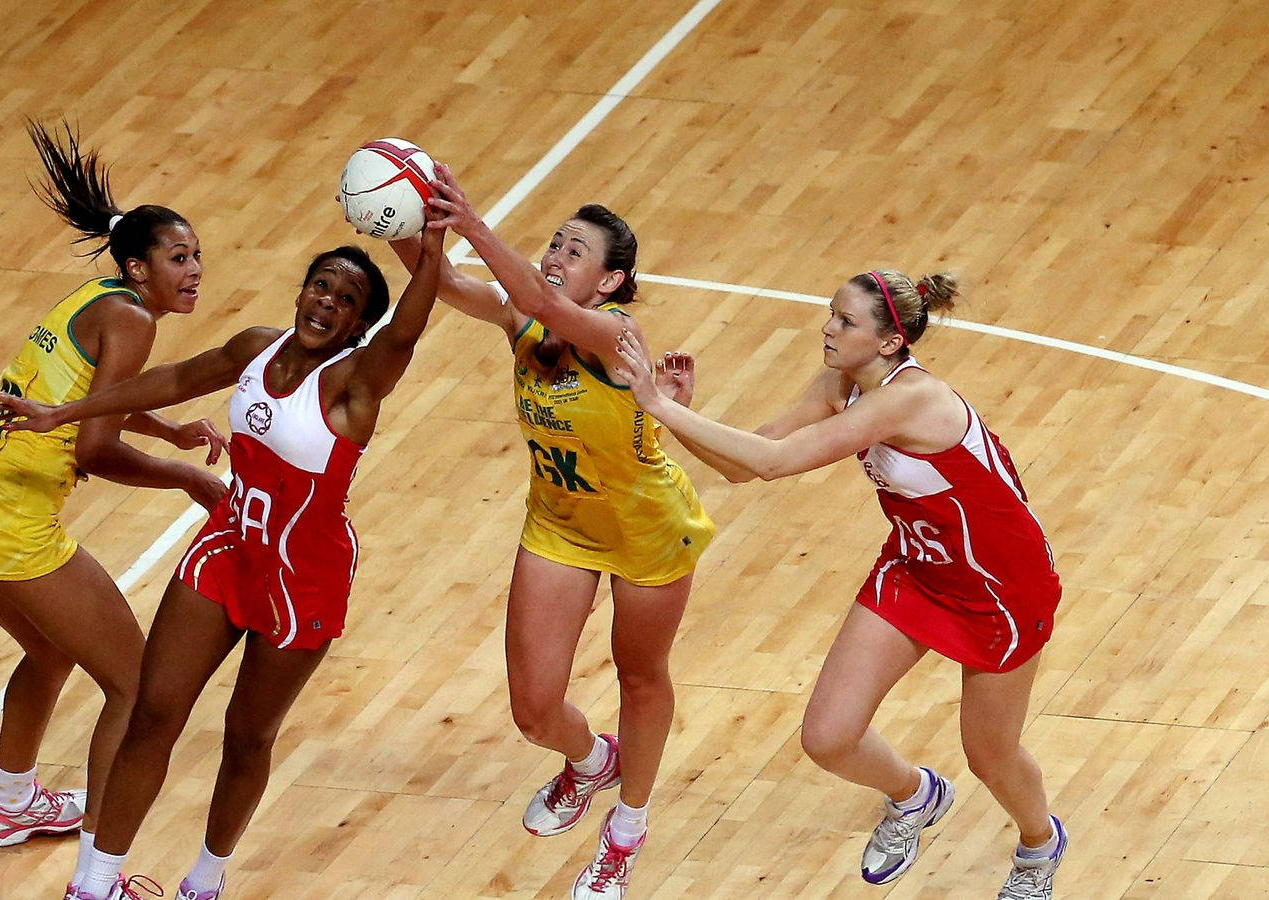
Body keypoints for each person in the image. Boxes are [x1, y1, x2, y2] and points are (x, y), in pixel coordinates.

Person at [0, 202, 448, 900]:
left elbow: (407, 333)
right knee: (153, 711)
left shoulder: (354, 381)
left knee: (247, 737)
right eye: (321, 284)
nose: (327, 302)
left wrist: (434, 245)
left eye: (347, 301)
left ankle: (205, 880)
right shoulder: (255, 347)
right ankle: (94, 885)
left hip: (303, 574)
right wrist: (65, 413)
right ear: (301, 289)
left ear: (357, 326)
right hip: (228, 547)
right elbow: (172, 380)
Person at [611, 269, 1067, 899]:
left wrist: (655, 406)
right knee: (828, 738)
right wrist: (679, 415)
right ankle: (916, 795)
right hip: (916, 567)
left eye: (845, 321)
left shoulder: (911, 400)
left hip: (1000, 588)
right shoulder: (841, 383)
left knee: (990, 753)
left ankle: (1040, 844)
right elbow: (751, 462)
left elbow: (770, 463)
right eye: (831, 313)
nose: (827, 326)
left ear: (888, 342)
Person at [387, 164, 716, 899]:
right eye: (556, 242)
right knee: (534, 709)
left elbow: (533, 292)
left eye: (575, 251)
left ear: (608, 282)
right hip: (559, 523)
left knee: (640, 676)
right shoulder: (523, 319)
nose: (556, 256)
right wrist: (399, 222)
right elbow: (438, 281)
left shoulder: (612, 332)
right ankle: (592, 761)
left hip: (644, 529)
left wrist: (473, 224)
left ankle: (626, 831)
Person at [0, 119, 229, 889]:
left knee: (51, 650)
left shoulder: (102, 299)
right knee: (136, 685)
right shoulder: (131, 320)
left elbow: (88, 400)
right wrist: (189, 477)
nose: (195, 270)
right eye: (179, 257)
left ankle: (12, 804)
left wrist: (163, 424)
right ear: (139, 266)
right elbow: (93, 448)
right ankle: (98, 876)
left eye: (196, 254)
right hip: (10, 523)